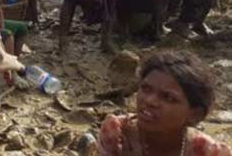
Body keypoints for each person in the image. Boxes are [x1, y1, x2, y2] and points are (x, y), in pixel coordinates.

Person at [98, 51, 232, 156]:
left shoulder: (209, 152)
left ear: (194, 114)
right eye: (145, 89)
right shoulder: (117, 134)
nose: (150, 101)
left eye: (168, 97)